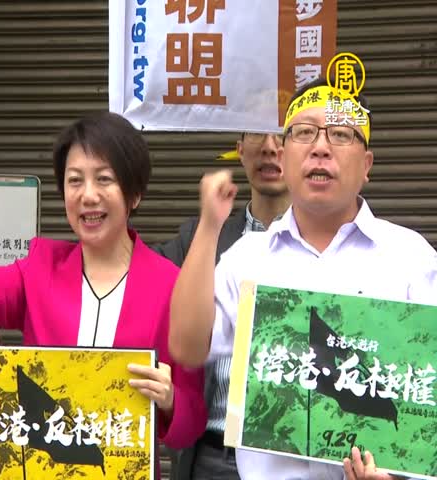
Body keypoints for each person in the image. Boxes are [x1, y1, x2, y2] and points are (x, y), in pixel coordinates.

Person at [168, 77, 436, 480]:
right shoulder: (247, 258)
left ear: (366, 165)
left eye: (340, 134)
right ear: (285, 156)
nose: (320, 147)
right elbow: (187, 346)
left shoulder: (411, 258)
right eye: (304, 132)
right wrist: (209, 226)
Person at [0, 110, 208, 475]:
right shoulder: (40, 268)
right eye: (75, 181)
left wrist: (170, 400)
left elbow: (192, 421)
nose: (88, 195)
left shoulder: (173, 287)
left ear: (134, 193)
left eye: (104, 179)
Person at [153, 132, 290, 480]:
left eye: (281, 135)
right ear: (240, 150)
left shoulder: (330, 244)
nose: (270, 147)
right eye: (257, 133)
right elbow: (138, 274)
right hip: (214, 455)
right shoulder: (198, 238)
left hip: (292, 458)